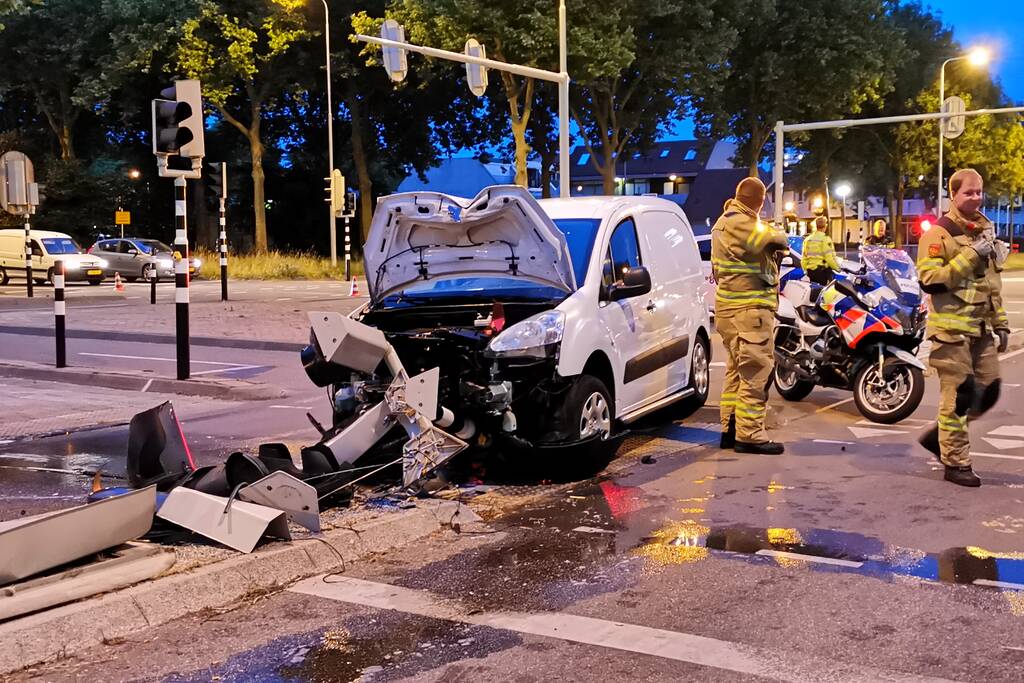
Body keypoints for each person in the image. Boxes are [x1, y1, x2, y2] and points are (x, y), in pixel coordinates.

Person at [917, 168, 1009, 487]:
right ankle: (956, 462)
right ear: (953, 194)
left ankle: (941, 436)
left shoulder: (984, 232)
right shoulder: (938, 233)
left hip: (981, 329)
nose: (976, 197)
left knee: (990, 389)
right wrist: (970, 255)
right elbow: (929, 280)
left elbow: (991, 284)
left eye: (979, 192)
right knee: (960, 395)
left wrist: (1002, 324)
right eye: (968, 192)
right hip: (951, 331)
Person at [712, 177, 789, 454]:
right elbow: (773, 238)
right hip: (749, 311)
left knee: (737, 371)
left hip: (731, 311)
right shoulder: (741, 222)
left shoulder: (724, 222)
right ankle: (750, 435)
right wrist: (777, 233)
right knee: (757, 372)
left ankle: (730, 428)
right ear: (758, 202)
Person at [802, 216, 840, 286]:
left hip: (811, 271)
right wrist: (837, 268)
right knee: (822, 292)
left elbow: (804, 258)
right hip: (822, 272)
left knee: (814, 291)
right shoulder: (825, 239)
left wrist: (806, 270)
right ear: (825, 226)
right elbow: (829, 258)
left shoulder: (808, 239)